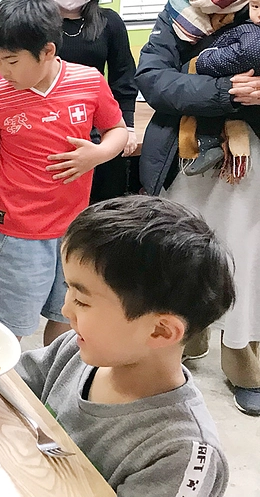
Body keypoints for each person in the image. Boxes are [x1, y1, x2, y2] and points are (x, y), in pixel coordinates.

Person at [17, 195, 234, 497]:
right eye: (68, 290)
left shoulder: (180, 452)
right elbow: (7, 389)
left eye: (81, 300)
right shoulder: (73, 351)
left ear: (159, 331)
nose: (66, 310)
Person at [136, 0, 260, 416]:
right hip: (183, 158)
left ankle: (243, 361)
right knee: (182, 256)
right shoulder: (179, 4)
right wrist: (226, 93)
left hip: (244, 161)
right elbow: (152, 77)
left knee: (243, 259)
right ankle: (184, 346)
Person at [0, 0, 127, 344]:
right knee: (11, 329)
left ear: (48, 51)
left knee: (67, 318)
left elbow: (118, 130)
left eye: (11, 61)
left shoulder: (88, 82)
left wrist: (97, 155)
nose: (2, 71)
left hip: (74, 231)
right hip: (17, 235)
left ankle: (50, 390)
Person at [41, 0, 137, 201]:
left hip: (97, 124)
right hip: (48, 124)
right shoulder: (37, 23)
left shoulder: (109, 22)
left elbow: (123, 77)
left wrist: (127, 126)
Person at [182, 0, 260, 176]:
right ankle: (208, 143)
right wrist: (203, 64)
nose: (258, 14)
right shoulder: (252, 33)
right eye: (255, 7)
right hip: (214, 73)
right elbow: (207, 63)